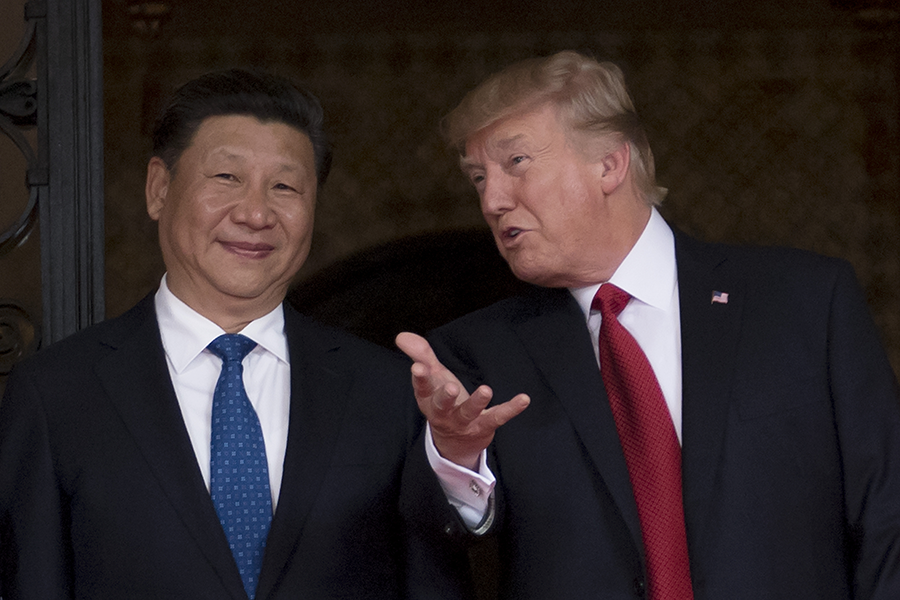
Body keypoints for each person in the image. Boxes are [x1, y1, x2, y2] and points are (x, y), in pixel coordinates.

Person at [396, 51, 900, 600]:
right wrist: (455, 457)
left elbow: (887, 513)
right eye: (478, 177)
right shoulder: (475, 354)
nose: (492, 200)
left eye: (516, 162)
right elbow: (427, 553)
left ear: (610, 165)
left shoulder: (804, 301)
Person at [0, 69, 467, 600]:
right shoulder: (55, 394)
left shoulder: (387, 392)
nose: (255, 213)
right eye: (226, 178)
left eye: (285, 186)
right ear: (159, 189)